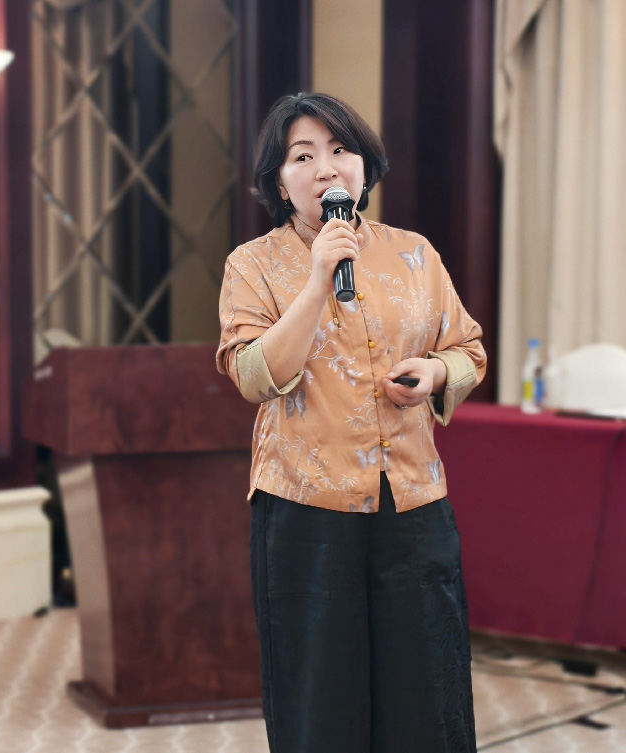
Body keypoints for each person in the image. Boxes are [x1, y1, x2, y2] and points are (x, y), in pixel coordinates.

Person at [216, 92, 486, 753]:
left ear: (365, 167)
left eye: (340, 150)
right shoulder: (253, 265)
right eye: (302, 156)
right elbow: (253, 375)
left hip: (412, 504)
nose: (326, 168)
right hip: (307, 510)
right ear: (280, 183)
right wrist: (317, 281)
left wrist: (436, 373)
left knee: (426, 695)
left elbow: (469, 350)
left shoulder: (414, 254)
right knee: (322, 702)